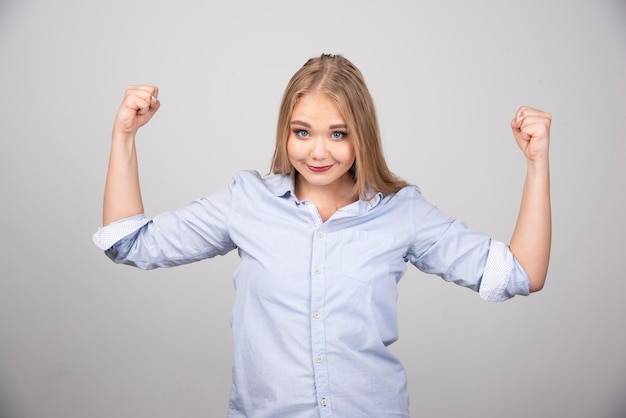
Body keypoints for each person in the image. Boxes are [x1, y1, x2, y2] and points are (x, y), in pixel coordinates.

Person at [93, 54, 551, 417]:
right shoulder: (246, 200)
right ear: (285, 132)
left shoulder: (402, 212)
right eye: (301, 132)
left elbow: (520, 273)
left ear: (362, 136)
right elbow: (129, 242)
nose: (317, 151)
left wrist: (536, 164)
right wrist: (124, 135)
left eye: (337, 133)